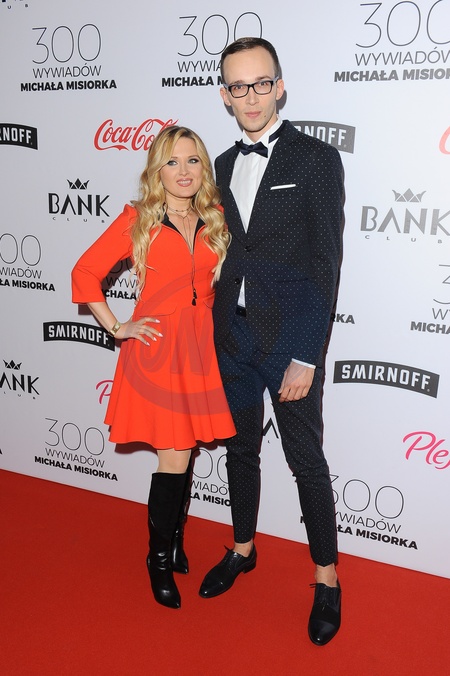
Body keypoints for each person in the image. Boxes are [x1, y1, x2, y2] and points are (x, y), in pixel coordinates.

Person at [198, 38, 344, 646]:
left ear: (280, 86)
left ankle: (327, 578)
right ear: (225, 95)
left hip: (290, 345)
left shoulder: (316, 159)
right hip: (232, 336)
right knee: (239, 451)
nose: (251, 97)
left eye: (261, 83)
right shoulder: (220, 165)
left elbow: (325, 265)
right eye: (238, 86)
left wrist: (307, 354)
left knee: (305, 460)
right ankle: (242, 547)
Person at [72, 125, 236, 610]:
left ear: (203, 168)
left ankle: (175, 543)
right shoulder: (138, 219)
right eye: (172, 162)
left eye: (192, 160)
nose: (183, 171)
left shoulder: (215, 217)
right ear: (156, 171)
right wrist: (117, 326)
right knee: (176, 457)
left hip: (200, 349)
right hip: (158, 353)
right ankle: (158, 559)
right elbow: (84, 271)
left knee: (186, 451)